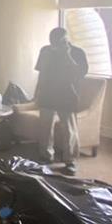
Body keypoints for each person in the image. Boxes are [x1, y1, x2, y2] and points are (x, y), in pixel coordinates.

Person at [34, 27, 88, 175]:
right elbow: (41, 73)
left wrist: (66, 55)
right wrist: (37, 92)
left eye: (58, 42)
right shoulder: (45, 51)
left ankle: (70, 161)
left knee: (69, 129)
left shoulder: (77, 53)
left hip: (67, 95)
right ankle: (46, 156)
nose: (54, 45)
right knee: (45, 127)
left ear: (66, 40)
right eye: (52, 42)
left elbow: (78, 74)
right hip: (47, 94)